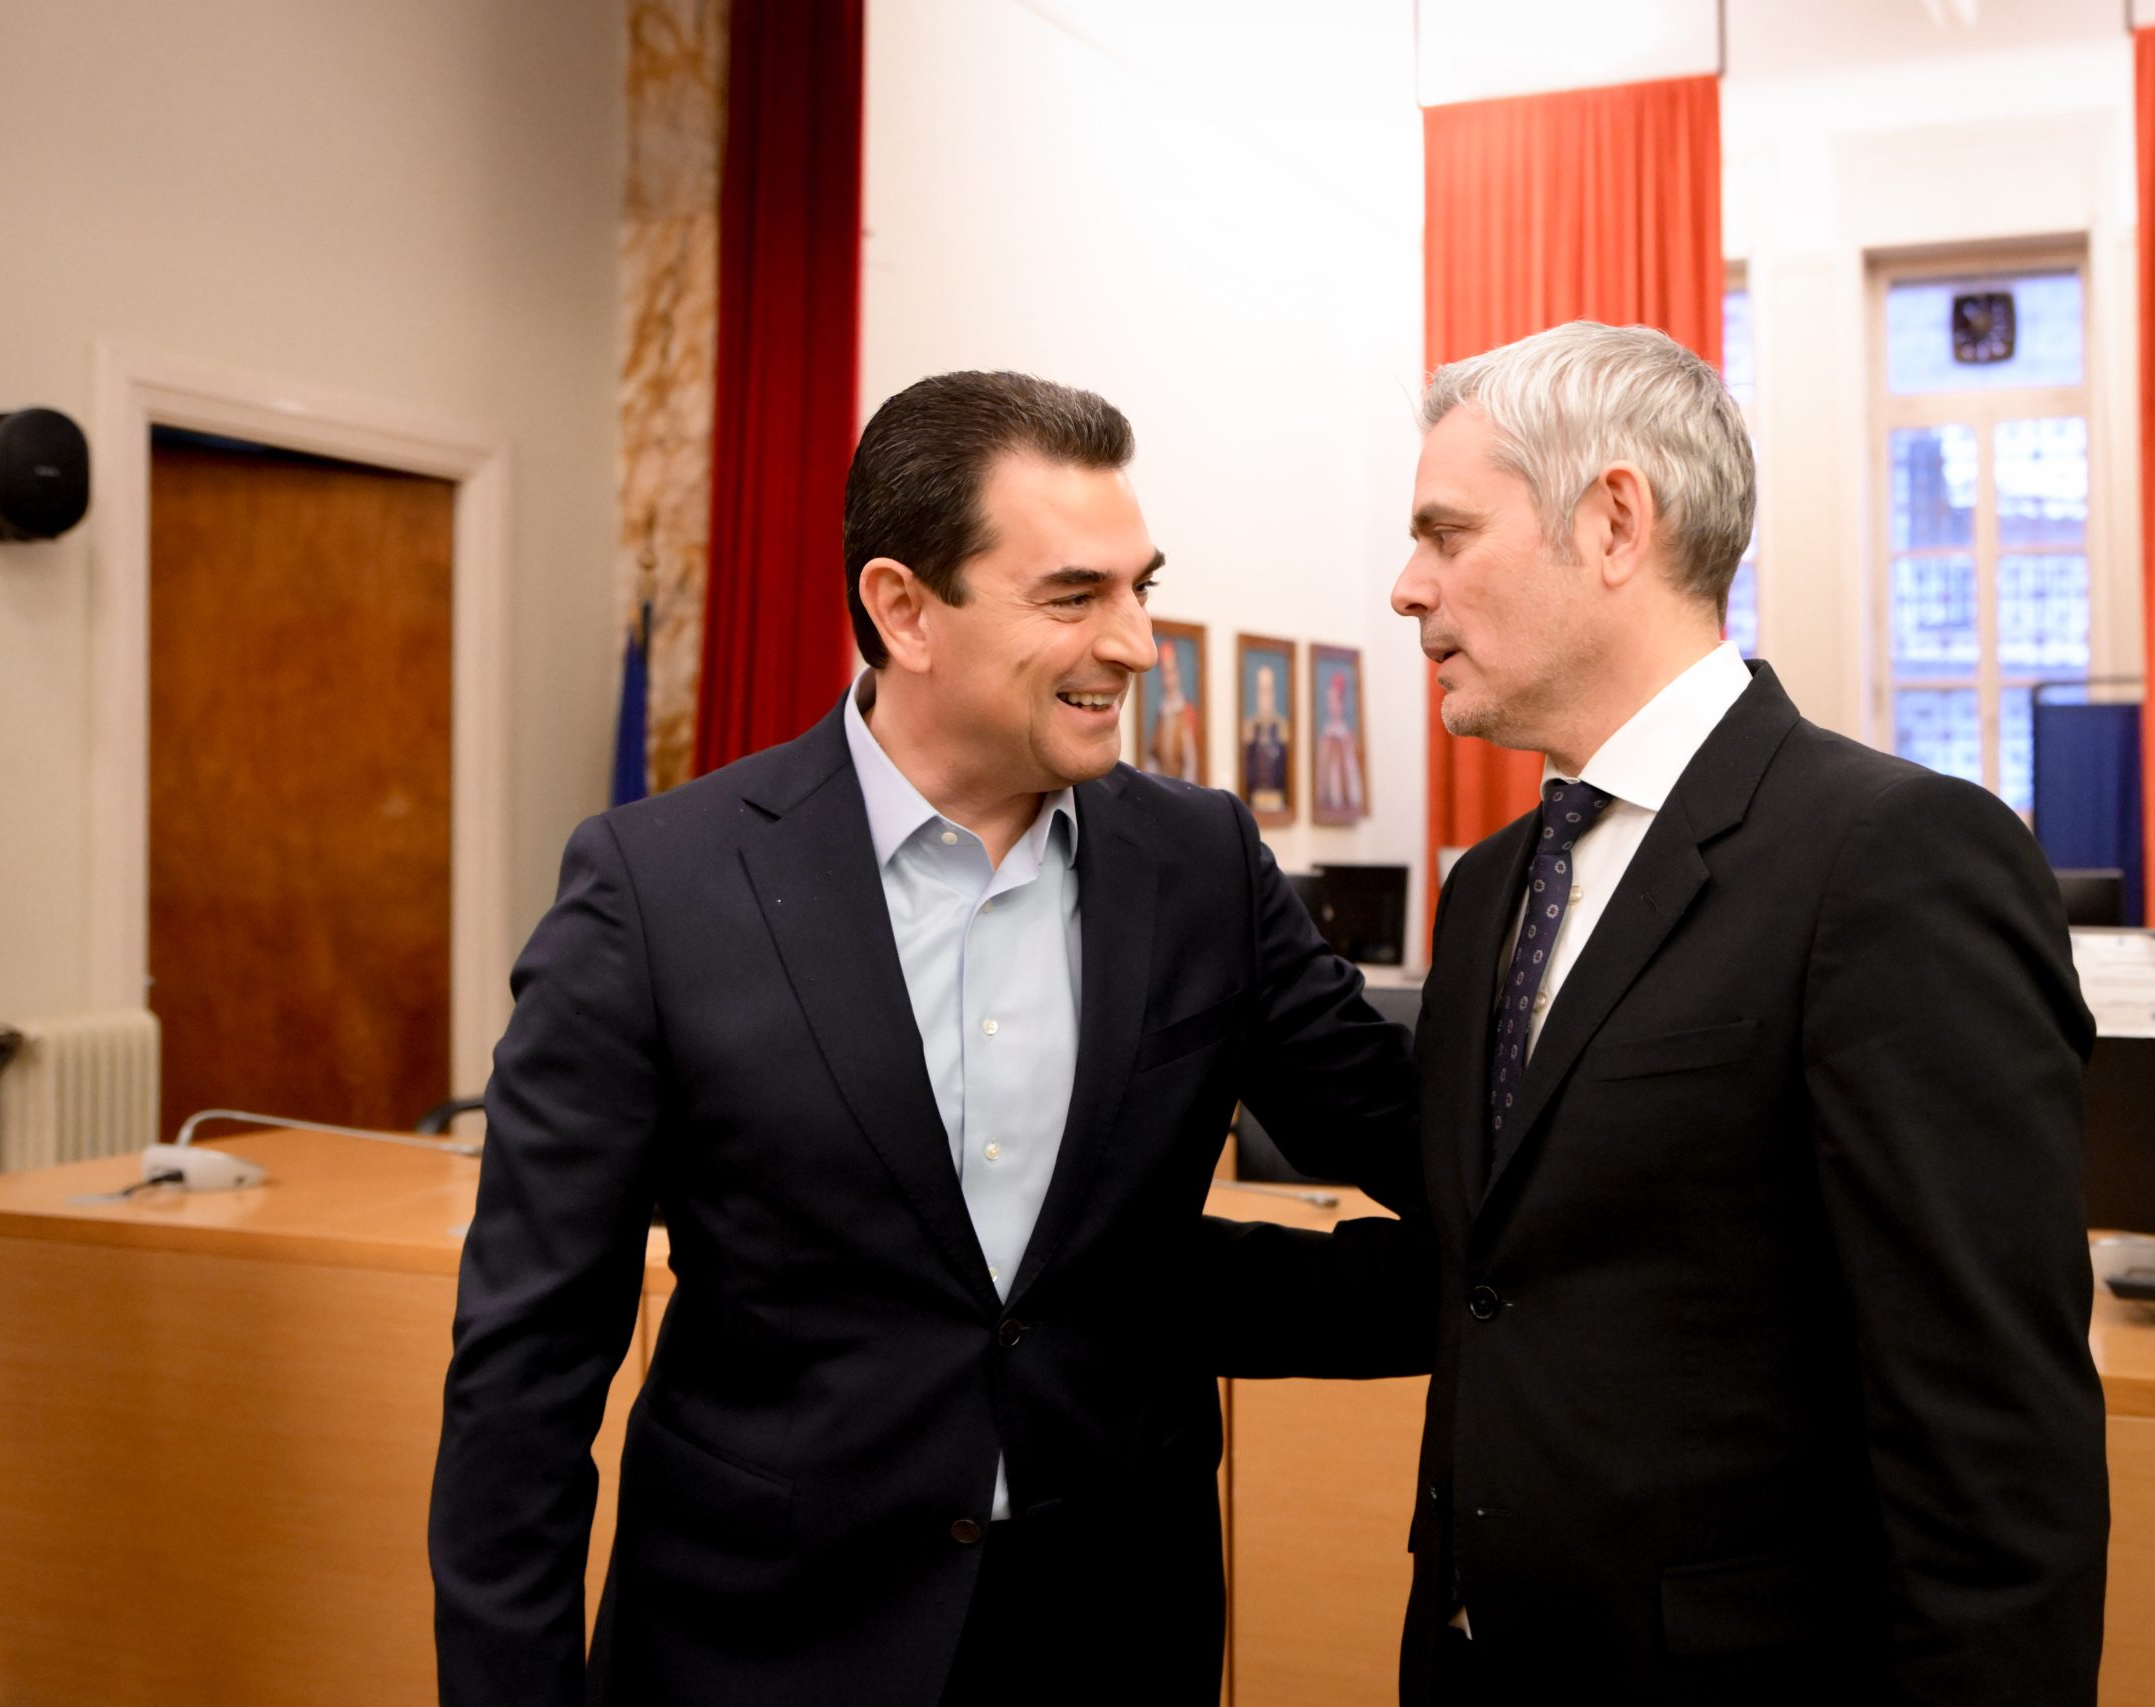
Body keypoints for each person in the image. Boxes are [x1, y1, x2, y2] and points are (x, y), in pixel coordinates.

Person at [429, 370, 1425, 1707]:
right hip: (762, 1643)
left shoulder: (1202, 864)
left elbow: (1423, 1151)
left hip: (1114, 1634)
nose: (1137, 643)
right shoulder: (657, 886)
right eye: (1074, 597)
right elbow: (528, 1366)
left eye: (1139, 588)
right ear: (903, 608)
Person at [1385, 321, 2108, 1702]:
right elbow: (1503, 1274)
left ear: (1613, 522)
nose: (1408, 584)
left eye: (1446, 532)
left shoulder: (1893, 856)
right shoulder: (1487, 889)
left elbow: (1992, 1431)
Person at [1147, 635, 1202, 781]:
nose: (1169, 679)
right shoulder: (1161, 714)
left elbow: (1191, 761)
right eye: (1165, 673)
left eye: (1171, 672)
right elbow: (1153, 757)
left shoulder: (1187, 711)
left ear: (1178, 673)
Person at [1315, 666, 1365, 819]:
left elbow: (1352, 774)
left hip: (1346, 804)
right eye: (1329, 701)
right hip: (1328, 803)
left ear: (1342, 704)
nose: (1332, 706)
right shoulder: (1325, 737)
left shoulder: (1347, 738)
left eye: (1335, 701)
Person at [1242, 663, 1290, 812]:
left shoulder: (1283, 729)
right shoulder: (1249, 729)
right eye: (1261, 691)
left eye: (1268, 691)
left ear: (1274, 694)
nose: (1265, 697)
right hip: (1255, 799)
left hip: (1277, 800)